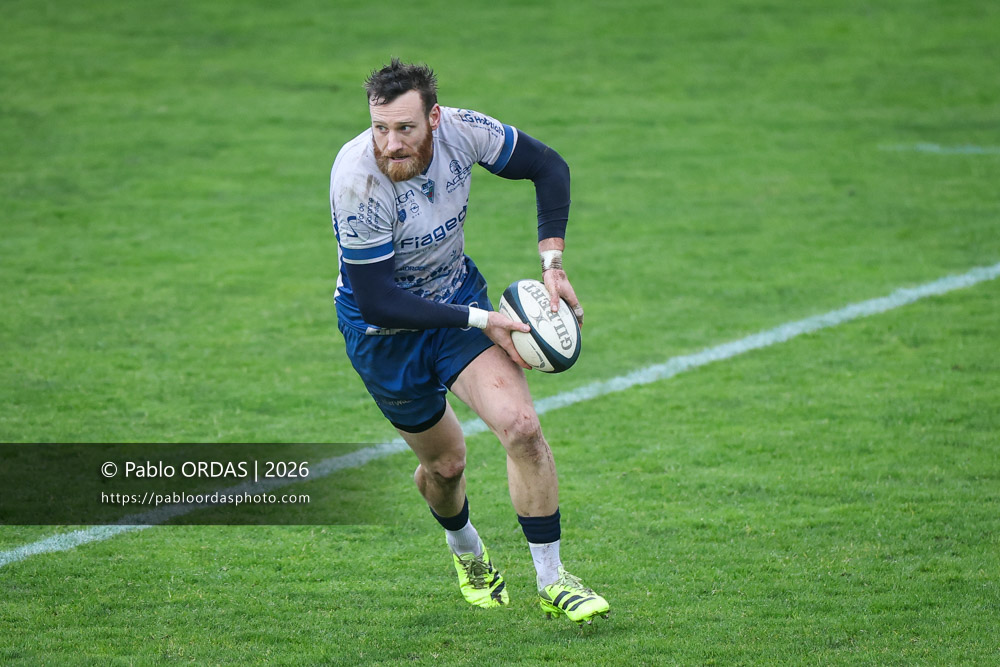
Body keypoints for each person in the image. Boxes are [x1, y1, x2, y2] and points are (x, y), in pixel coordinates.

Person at [328, 59, 609, 625]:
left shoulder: (463, 131)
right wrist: (482, 320)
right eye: (380, 128)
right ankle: (468, 553)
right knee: (446, 466)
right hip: (385, 336)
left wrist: (552, 264)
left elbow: (548, 166)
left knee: (522, 428)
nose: (390, 143)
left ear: (434, 118)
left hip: (457, 299)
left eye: (404, 128)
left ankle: (553, 580)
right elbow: (380, 301)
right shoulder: (357, 178)